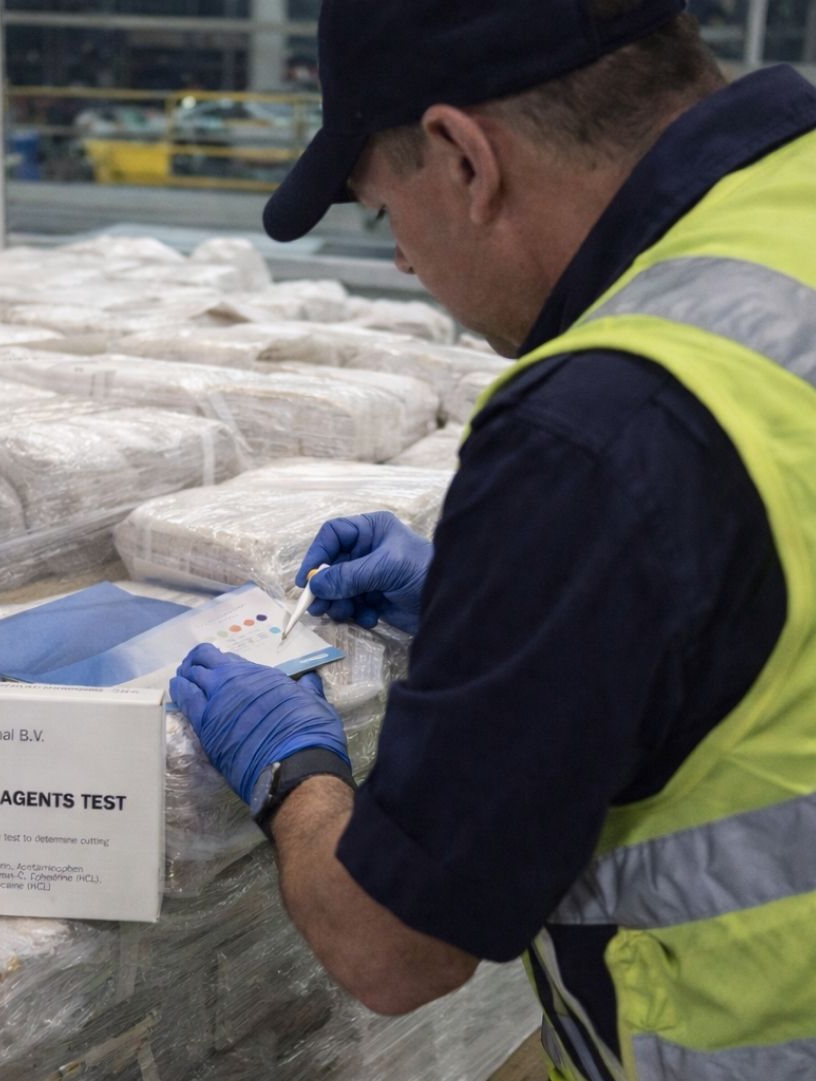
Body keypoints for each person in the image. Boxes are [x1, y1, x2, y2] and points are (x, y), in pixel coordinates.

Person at [169, 1, 816, 1078]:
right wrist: (548, 610)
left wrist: (294, 771)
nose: (404, 261)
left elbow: (393, 949)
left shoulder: (597, 425)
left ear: (467, 159)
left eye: (386, 213)